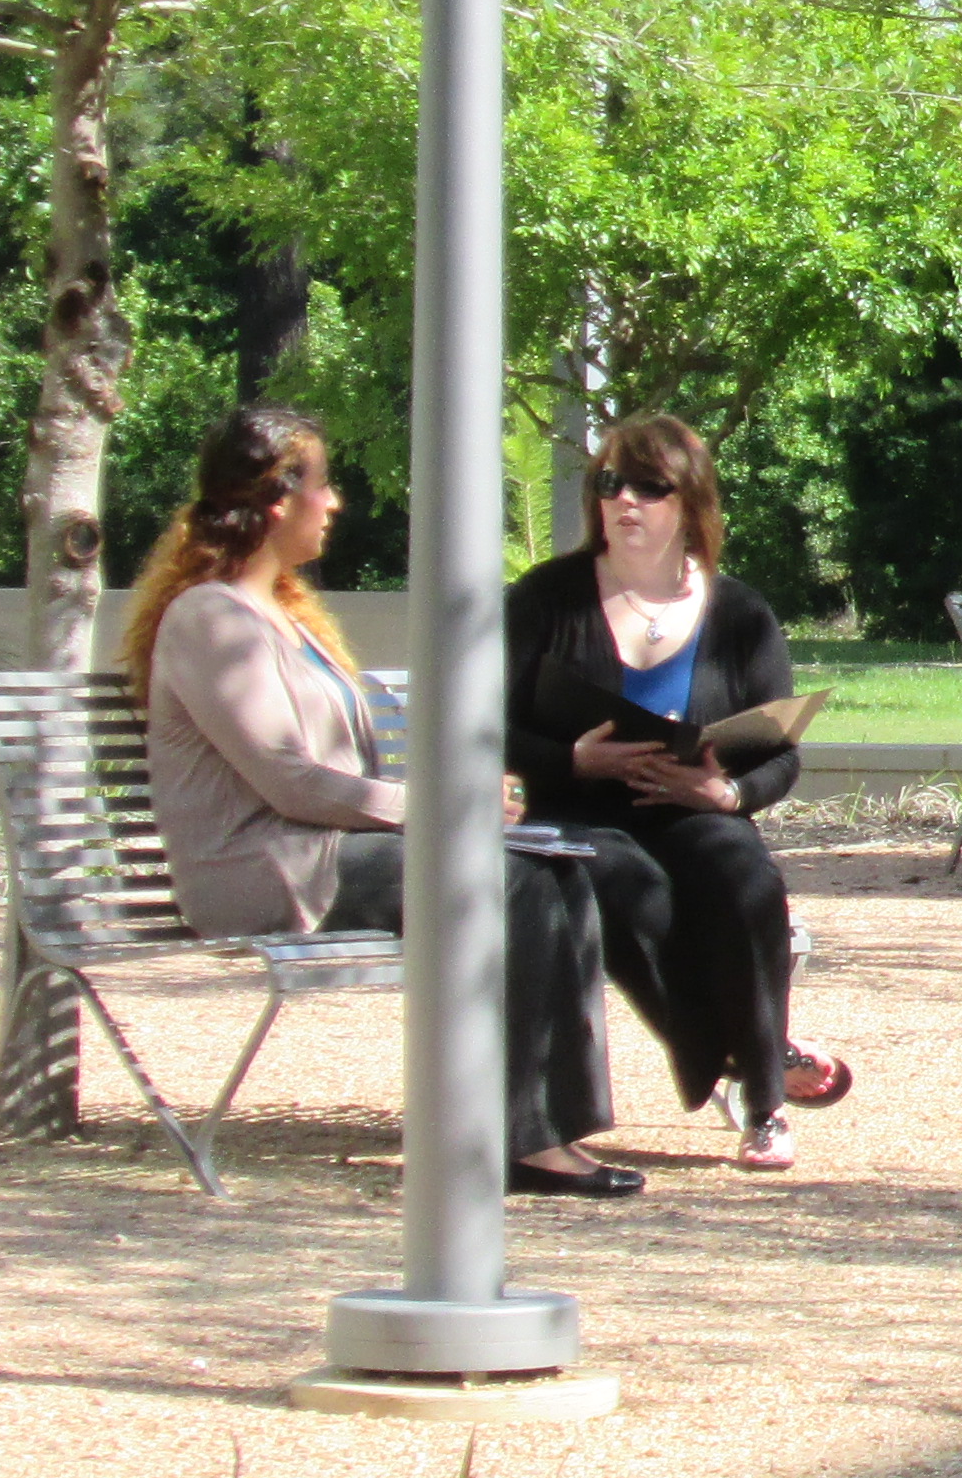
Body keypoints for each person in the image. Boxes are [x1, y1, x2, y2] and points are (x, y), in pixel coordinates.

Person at [124, 402, 630, 1194]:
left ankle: (546, 1128)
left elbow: (338, 770)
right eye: (322, 485)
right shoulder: (209, 620)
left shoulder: (287, 616)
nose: (335, 503)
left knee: (561, 869)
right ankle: (523, 1139)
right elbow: (286, 780)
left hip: (325, 850)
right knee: (513, 880)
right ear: (274, 497)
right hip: (264, 867)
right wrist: (441, 810)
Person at [506, 413, 853, 1174]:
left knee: (745, 877)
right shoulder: (546, 599)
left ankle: (765, 1110)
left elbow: (779, 755)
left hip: (694, 807)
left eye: (649, 488)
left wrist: (726, 792)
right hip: (580, 809)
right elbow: (487, 727)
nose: (625, 502)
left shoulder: (741, 616)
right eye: (609, 485)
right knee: (626, 887)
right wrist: (573, 759)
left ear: (689, 502)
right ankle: (745, 1056)